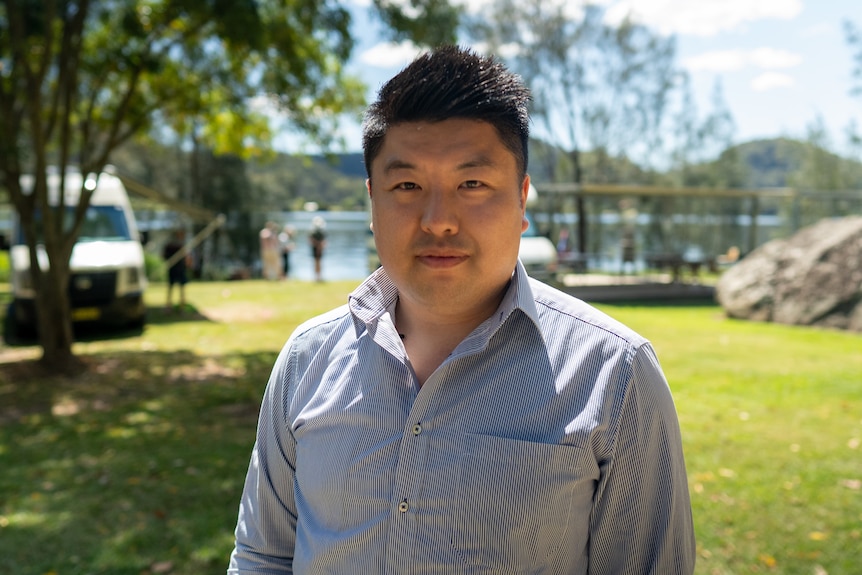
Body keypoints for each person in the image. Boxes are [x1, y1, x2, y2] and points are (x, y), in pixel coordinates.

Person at [228, 46, 695, 574]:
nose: (439, 220)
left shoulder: (617, 376)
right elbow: (262, 557)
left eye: (472, 184)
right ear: (372, 199)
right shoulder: (307, 358)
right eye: (406, 185)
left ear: (521, 200)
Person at [162, 228, 191, 313]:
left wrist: (187, 263)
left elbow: (186, 257)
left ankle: (182, 307)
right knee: (171, 288)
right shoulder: (170, 245)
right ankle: (168, 306)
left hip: (181, 269)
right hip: (173, 268)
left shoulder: (182, 245)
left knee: (182, 289)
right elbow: (164, 256)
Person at [308, 216, 327, 282]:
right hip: (316, 249)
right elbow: (311, 240)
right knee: (317, 263)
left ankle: (318, 277)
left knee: (317, 263)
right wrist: (319, 246)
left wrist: (320, 246)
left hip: (318, 248)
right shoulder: (316, 232)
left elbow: (323, 242)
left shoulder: (315, 231)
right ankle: (317, 277)